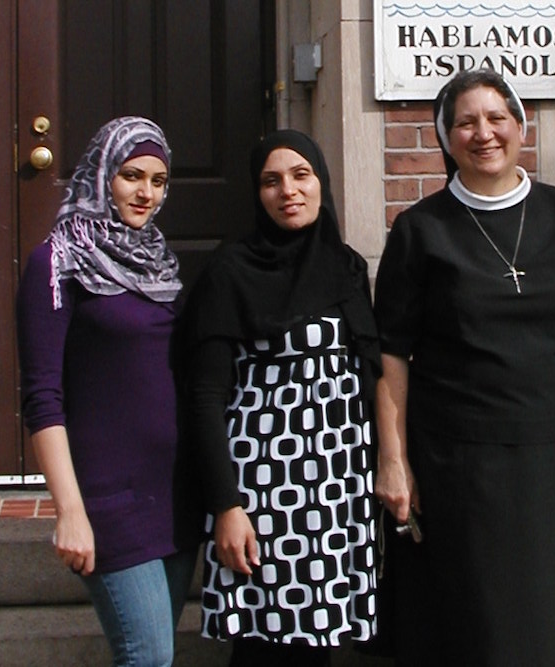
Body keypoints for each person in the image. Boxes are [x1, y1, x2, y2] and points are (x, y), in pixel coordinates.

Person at [373, 68, 555, 666]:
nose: (483, 133)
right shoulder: (420, 230)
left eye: (497, 118)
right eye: (464, 122)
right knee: (485, 629)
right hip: (463, 465)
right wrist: (393, 459)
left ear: (521, 127)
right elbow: (390, 352)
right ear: (446, 140)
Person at [180, 130, 381, 667]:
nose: (287, 191)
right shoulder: (230, 271)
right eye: (271, 181)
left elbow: (371, 370)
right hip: (265, 493)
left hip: (338, 490)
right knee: (263, 649)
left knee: (319, 644)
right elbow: (205, 396)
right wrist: (225, 504)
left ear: (322, 183)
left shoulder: (347, 267)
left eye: (301, 175)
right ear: (256, 193)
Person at [17, 116, 198, 666]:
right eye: (132, 176)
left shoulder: (159, 261)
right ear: (101, 174)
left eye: (159, 180)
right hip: (109, 500)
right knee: (147, 657)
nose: (146, 193)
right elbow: (42, 396)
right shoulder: (56, 262)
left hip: (175, 494)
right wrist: (69, 509)